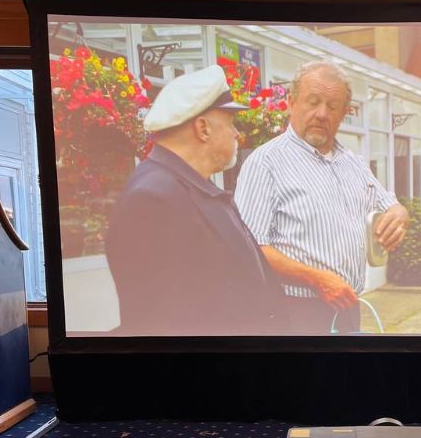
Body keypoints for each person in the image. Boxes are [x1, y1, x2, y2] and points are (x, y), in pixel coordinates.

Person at [106, 64, 287, 336]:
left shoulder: (189, 186)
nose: (237, 133)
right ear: (203, 128)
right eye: (230, 123)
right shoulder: (152, 200)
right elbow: (162, 324)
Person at [234, 60, 409, 334]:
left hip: (348, 307)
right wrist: (315, 278)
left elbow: (391, 205)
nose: (322, 114)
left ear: (344, 114)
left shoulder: (353, 162)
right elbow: (250, 249)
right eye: (312, 101)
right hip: (296, 315)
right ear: (292, 103)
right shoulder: (266, 162)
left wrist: (399, 216)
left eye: (333, 106)